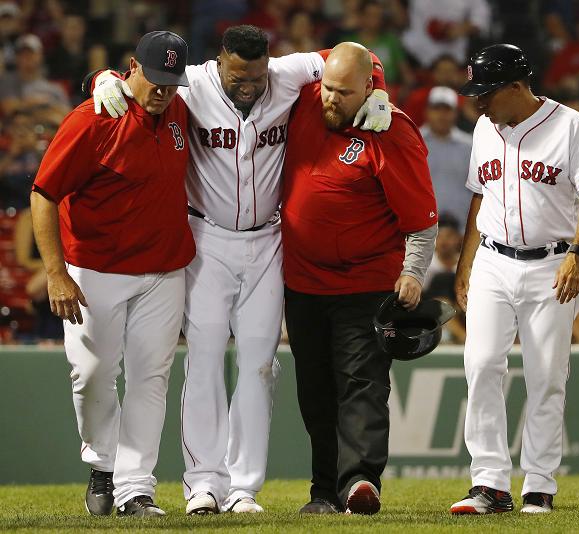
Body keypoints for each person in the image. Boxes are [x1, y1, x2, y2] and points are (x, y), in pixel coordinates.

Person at [91, 25, 392, 515]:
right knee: (204, 361)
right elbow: (135, 77)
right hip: (207, 238)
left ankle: (244, 489)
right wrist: (101, 79)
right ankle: (204, 484)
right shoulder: (194, 80)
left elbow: (355, 57)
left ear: (267, 61)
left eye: (256, 75)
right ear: (220, 61)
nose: (249, 84)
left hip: (269, 239)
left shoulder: (287, 73)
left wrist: (378, 90)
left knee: (259, 366)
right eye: (238, 75)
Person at [30, 31, 195, 517]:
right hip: (95, 270)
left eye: (172, 81)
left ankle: (134, 488)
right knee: (94, 374)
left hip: (164, 270)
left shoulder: (179, 110)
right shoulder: (93, 119)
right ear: (132, 68)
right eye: (155, 79)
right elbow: (43, 193)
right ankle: (102, 464)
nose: (163, 90)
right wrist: (56, 273)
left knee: (151, 378)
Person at [451, 43, 579, 515]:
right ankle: (489, 484)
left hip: (552, 263)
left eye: (486, 92)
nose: (478, 102)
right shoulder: (485, 127)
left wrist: (578, 255)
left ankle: (538, 484)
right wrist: (465, 265)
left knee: (546, 375)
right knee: (481, 366)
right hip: (493, 262)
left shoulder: (569, 124)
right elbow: (478, 199)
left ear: (517, 87)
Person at [282, 42, 437, 515]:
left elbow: (422, 218)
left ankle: (360, 482)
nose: (330, 98)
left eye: (343, 93)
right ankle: (322, 491)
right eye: (327, 87)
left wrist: (412, 272)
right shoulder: (304, 98)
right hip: (303, 282)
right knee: (314, 391)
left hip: (365, 282)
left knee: (362, 383)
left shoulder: (390, 129)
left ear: (367, 88)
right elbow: (330, 53)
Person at [420, 86, 472, 231]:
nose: (442, 115)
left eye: (447, 109)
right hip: (421, 232)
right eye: (437, 108)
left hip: (460, 232)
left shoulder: (469, 146)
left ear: (456, 113)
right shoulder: (413, 144)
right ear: (427, 111)